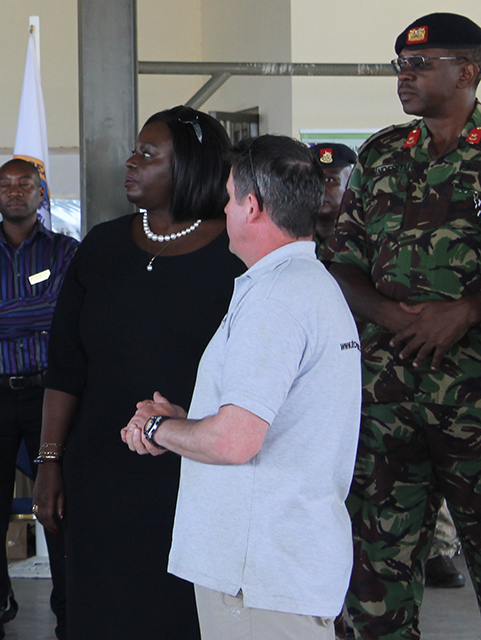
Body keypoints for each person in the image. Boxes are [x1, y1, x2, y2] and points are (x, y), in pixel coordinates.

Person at [123, 135, 361, 640]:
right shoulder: (307, 284)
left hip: (259, 573)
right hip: (283, 564)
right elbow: (264, 421)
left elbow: (235, 441)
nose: (225, 209)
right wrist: (191, 422)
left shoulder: (274, 299)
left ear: (251, 207)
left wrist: (159, 427)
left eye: (231, 198)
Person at [32, 106, 244, 640]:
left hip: (193, 472)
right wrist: (50, 461)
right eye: (136, 150)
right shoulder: (101, 246)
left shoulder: (236, 255)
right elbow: (66, 366)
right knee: (96, 609)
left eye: (148, 155)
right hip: (99, 471)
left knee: (178, 613)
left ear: (191, 167)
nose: (131, 162)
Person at [323, 12, 481, 639]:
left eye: (421, 63)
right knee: (372, 579)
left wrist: (467, 310)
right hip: (386, 401)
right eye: (401, 65)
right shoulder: (384, 153)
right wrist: (383, 310)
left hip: (473, 400)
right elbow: (341, 261)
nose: (405, 76)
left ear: (468, 70)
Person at [0, 158, 77, 640]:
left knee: (58, 506)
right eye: (4, 184)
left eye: (25, 183)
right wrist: (25, 315)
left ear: (42, 192)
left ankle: (71, 616)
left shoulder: (67, 251)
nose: (13, 191)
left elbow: (61, 311)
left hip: (51, 395)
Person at [308, 142, 356, 242]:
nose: (319, 188)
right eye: (312, 180)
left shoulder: (365, 236)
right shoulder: (289, 235)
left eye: (329, 180)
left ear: (349, 184)